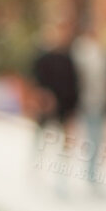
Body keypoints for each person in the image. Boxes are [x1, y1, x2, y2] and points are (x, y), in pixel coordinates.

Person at [28, 11, 80, 189]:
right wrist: (42, 97)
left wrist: (73, 109)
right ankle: (36, 172)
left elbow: (74, 84)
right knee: (41, 139)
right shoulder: (44, 54)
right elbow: (35, 80)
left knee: (64, 145)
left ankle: (61, 180)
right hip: (46, 106)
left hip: (64, 108)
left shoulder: (70, 56)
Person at [69, 18, 106, 192]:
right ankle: (81, 172)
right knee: (83, 137)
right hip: (83, 102)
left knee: (97, 138)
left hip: (100, 102)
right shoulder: (80, 50)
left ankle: (92, 174)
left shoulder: (103, 51)